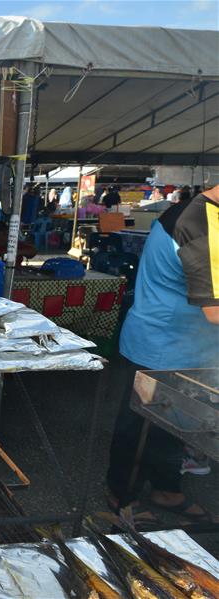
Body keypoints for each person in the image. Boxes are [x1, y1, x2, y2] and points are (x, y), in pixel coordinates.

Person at [105, 184, 219, 526]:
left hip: (192, 345)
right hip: (162, 343)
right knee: (141, 429)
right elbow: (215, 310)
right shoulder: (198, 222)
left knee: (175, 426)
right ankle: (121, 496)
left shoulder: (203, 212)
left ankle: (167, 489)